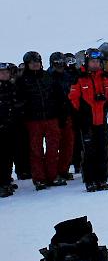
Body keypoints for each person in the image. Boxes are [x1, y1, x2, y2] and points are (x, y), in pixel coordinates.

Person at [16, 51, 66, 190]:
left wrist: (61, 114)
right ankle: (39, 178)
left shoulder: (48, 77)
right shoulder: (22, 80)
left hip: (51, 118)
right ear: (27, 64)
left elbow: (59, 97)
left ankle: (52, 175)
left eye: (37, 61)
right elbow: (19, 102)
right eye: (32, 62)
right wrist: (22, 118)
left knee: (53, 148)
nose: (35, 64)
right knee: (35, 150)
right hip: (33, 121)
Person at [69, 48, 108, 192]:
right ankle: (90, 180)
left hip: (102, 121)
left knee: (103, 150)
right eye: (93, 61)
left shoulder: (106, 79)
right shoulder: (79, 78)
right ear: (87, 62)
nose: (95, 64)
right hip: (87, 122)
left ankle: (102, 179)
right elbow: (73, 98)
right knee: (89, 152)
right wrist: (80, 114)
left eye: (97, 62)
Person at [48, 52, 76, 181]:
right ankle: (52, 173)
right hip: (52, 115)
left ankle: (63, 170)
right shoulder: (47, 77)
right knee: (53, 146)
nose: (60, 65)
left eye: (61, 62)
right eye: (57, 63)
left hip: (67, 113)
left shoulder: (67, 76)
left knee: (68, 144)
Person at [0, 62, 20, 197]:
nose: (4, 74)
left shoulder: (12, 86)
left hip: (12, 126)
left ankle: (6, 180)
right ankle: (2, 184)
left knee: (9, 156)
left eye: (6, 72)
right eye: (2, 72)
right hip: (1, 128)